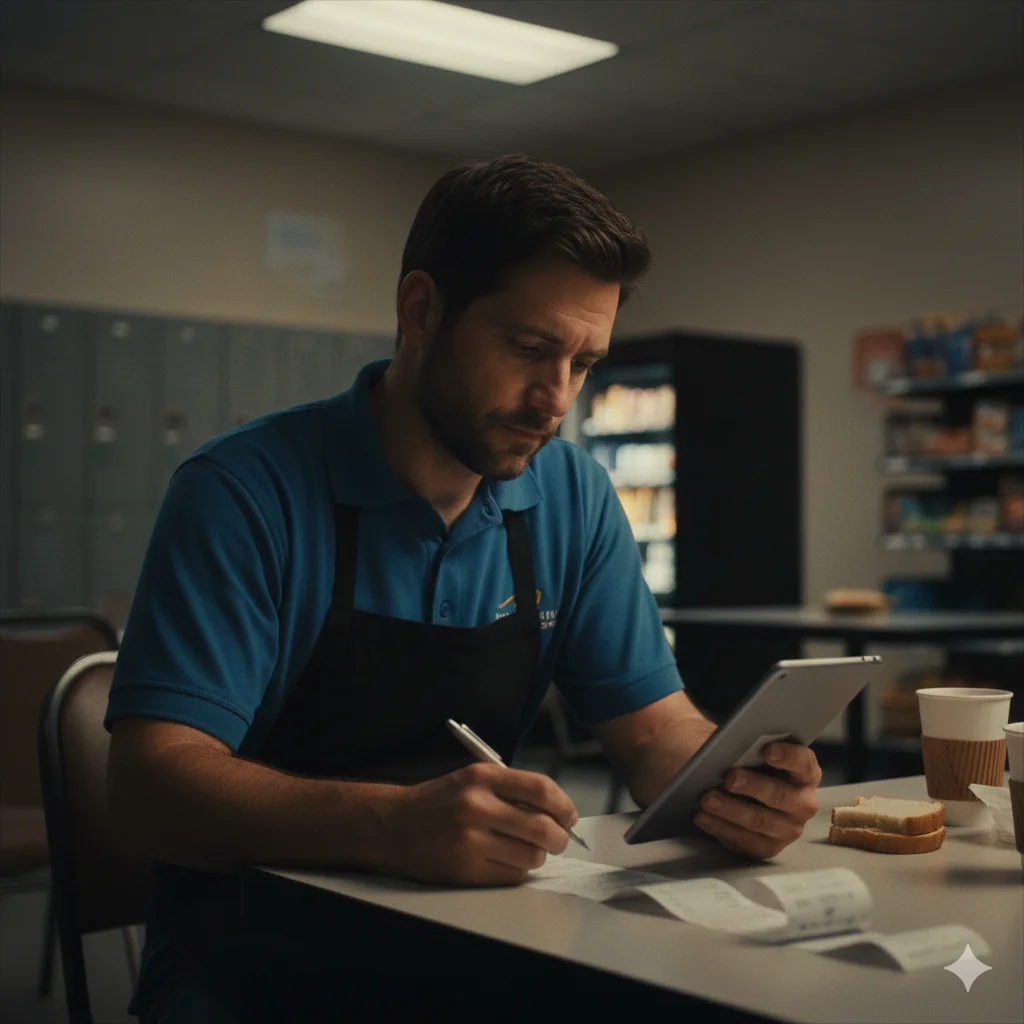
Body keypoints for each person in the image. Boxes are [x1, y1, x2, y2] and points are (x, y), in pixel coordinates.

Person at [105, 153, 821, 1022]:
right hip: (249, 944)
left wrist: (728, 787)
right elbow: (153, 788)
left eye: (584, 364)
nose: (554, 399)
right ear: (421, 310)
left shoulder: (573, 497)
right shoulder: (245, 490)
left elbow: (653, 727)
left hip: (481, 932)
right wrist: (389, 827)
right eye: (528, 348)